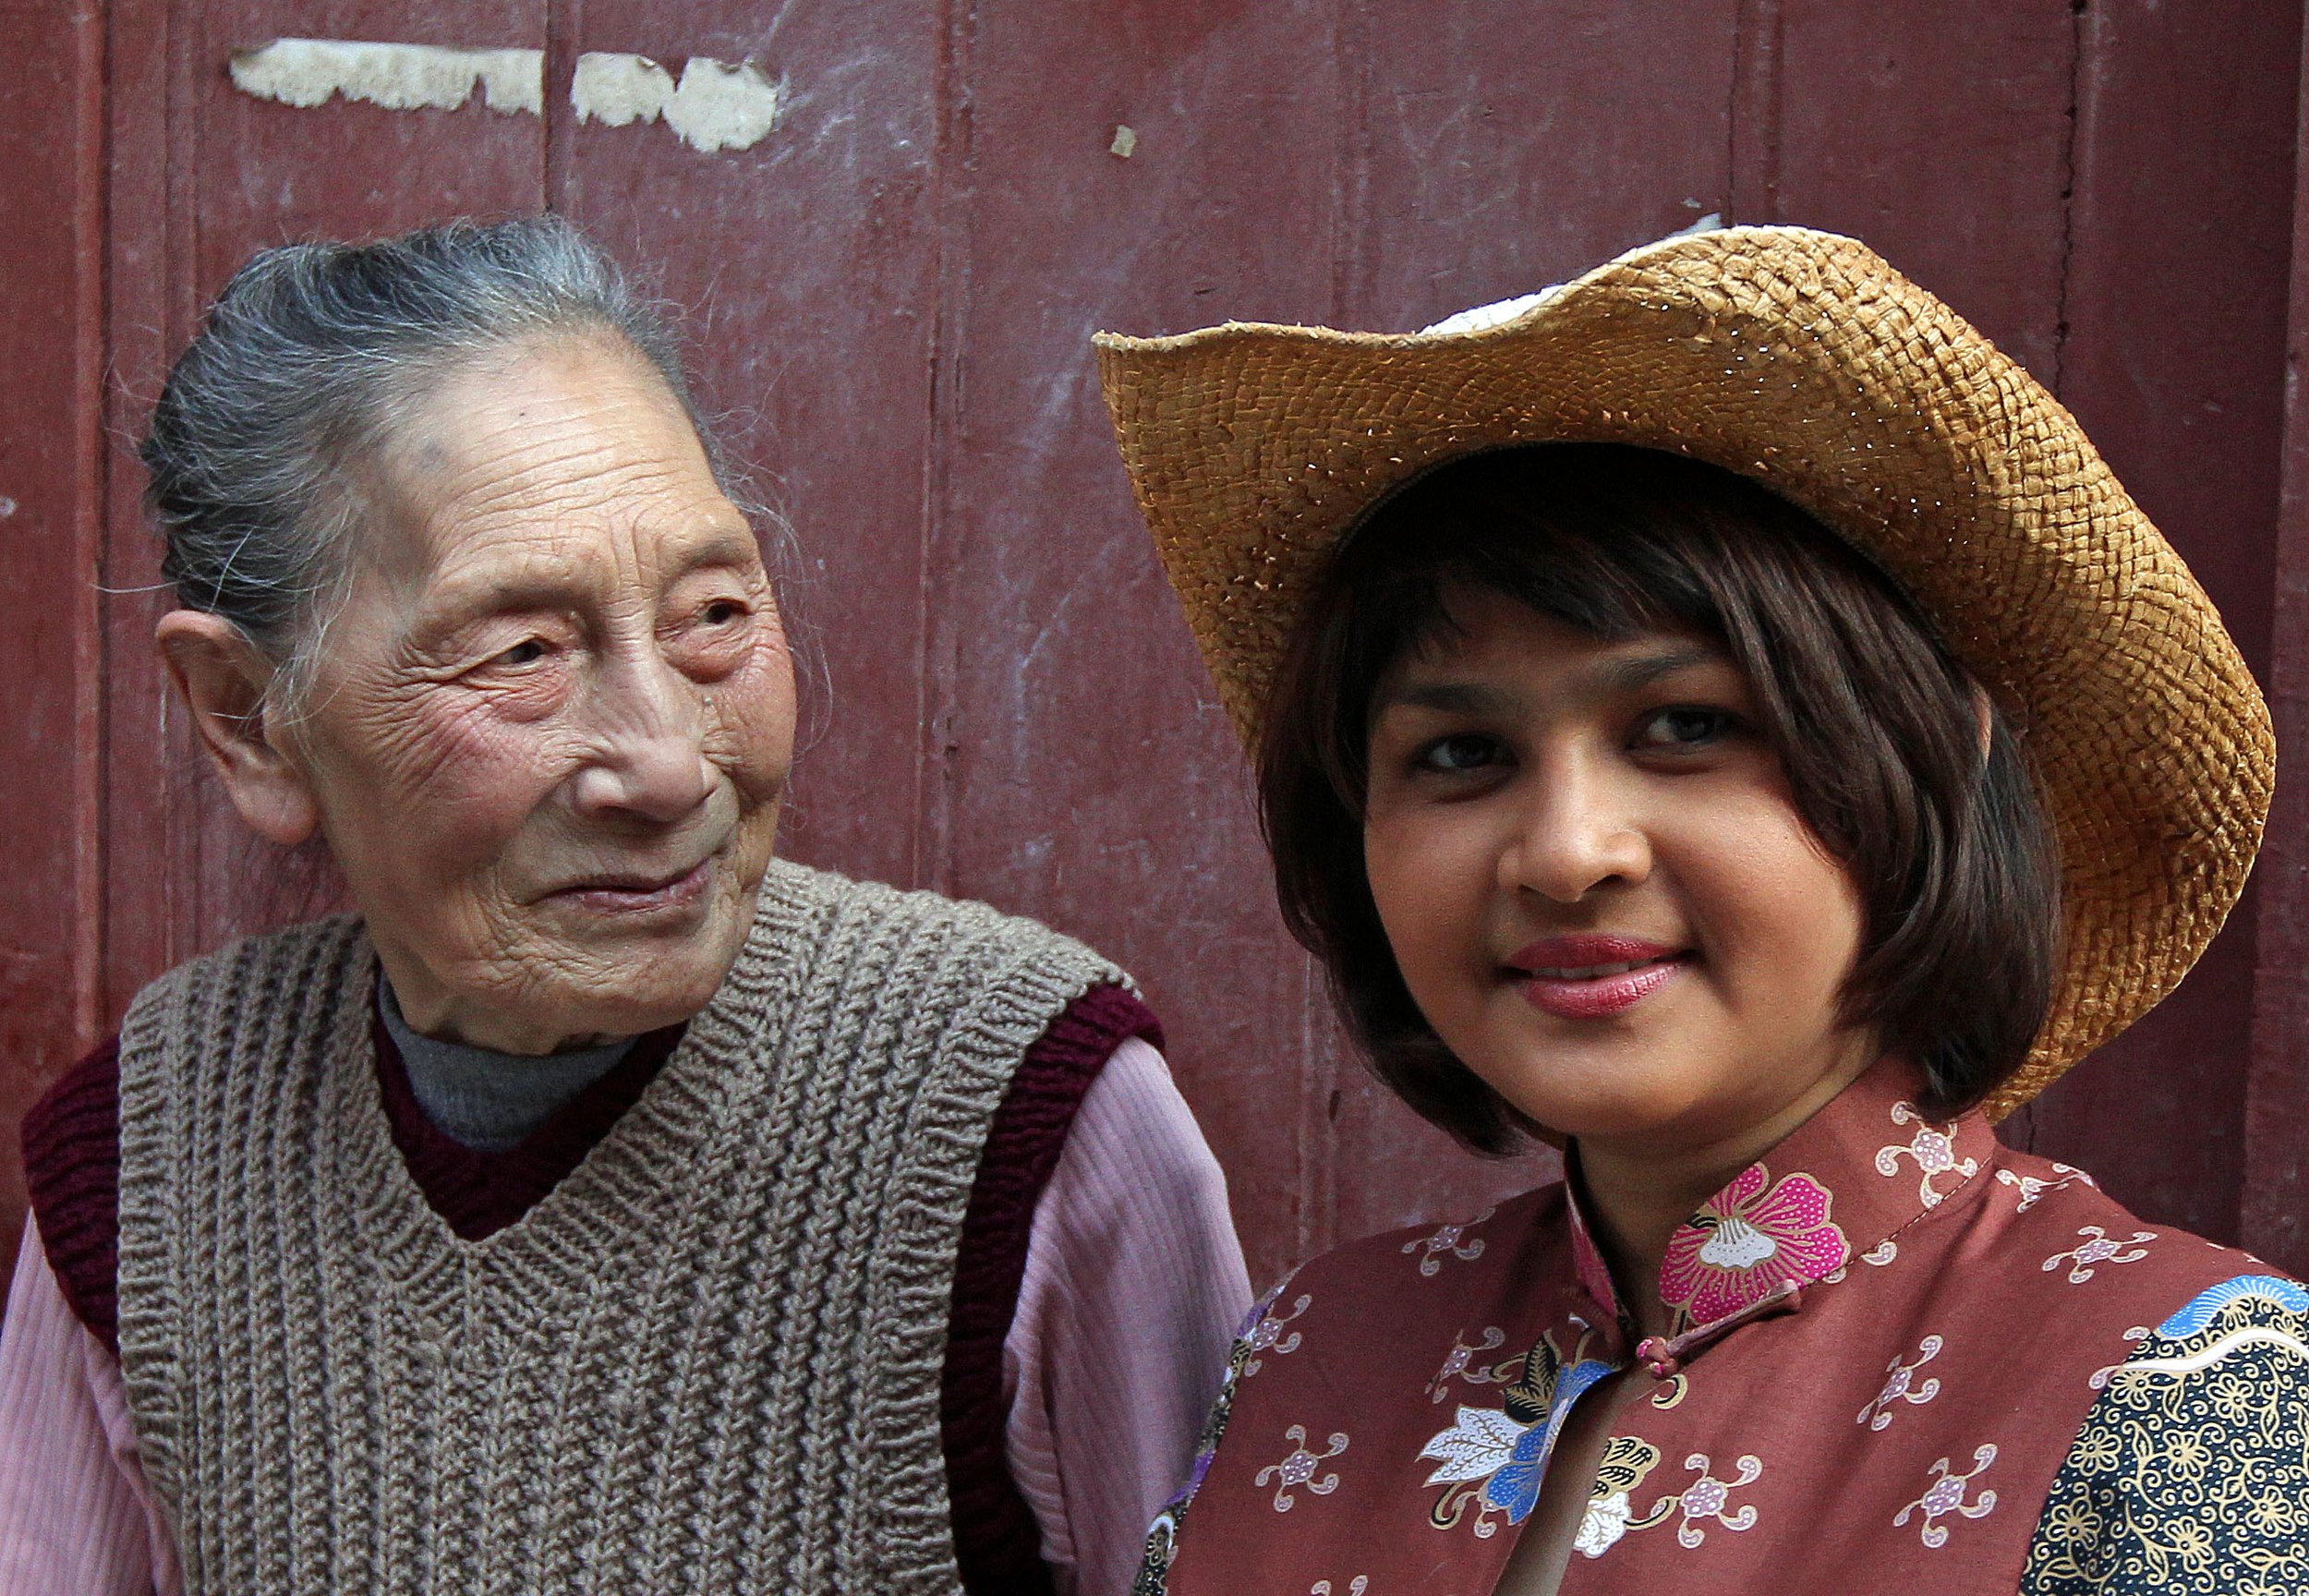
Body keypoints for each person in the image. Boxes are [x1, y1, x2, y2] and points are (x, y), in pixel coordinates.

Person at [0, 215, 1251, 1596]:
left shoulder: (1030, 1113)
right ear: (248, 718)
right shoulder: (153, 1155)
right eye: (524, 651)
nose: (666, 763)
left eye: (712, 614)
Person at [1093, 225, 2303, 1593]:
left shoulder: (2188, 1400)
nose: (1566, 852)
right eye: (1458, 755)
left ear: (1929, 755)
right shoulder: (1316, 1356)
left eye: (1684, 725)